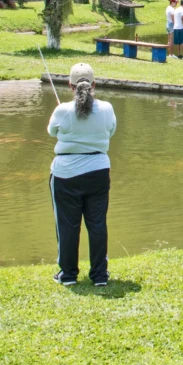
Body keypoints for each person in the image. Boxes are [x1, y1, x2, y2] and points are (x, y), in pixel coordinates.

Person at [47, 62, 117, 286]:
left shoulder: (62, 110)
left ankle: (68, 275)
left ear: (70, 85)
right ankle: (99, 275)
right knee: (97, 224)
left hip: (66, 174)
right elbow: (111, 131)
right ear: (94, 84)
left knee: (67, 225)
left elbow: (51, 132)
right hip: (98, 171)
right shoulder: (106, 108)